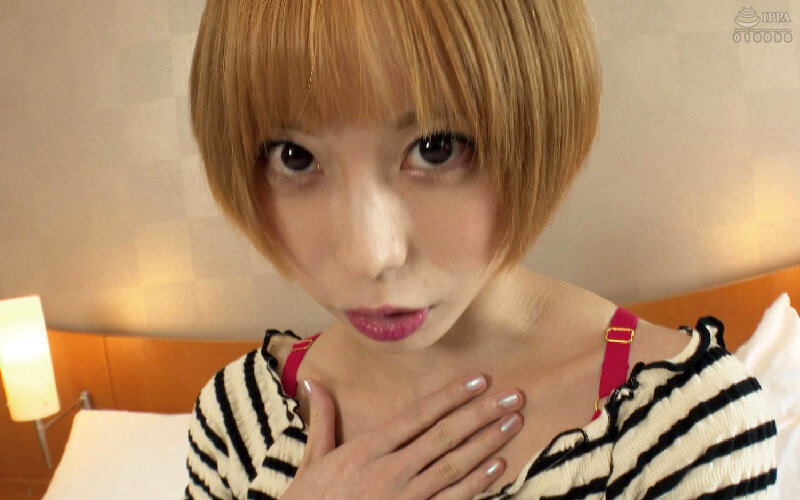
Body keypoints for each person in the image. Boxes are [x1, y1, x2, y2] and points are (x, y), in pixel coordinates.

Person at [183, 1, 777, 498]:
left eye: (436, 148)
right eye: (294, 158)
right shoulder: (239, 420)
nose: (370, 256)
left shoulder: (682, 424)